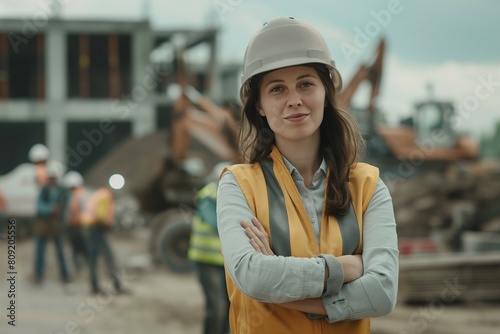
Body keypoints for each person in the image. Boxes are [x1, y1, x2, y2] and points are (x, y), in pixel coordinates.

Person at [216, 17, 399, 334]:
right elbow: (252, 275)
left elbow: (383, 293)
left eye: (305, 83)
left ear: (326, 93)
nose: (294, 99)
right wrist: (344, 267)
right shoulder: (238, 185)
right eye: (277, 89)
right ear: (258, 105)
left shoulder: (368, 186)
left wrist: (284, 293)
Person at [188, 162, 231, 334]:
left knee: (229, 308)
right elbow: (215, 222)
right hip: (206, 260)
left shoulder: (233, 196)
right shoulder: (208, 195)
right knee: (216, 308)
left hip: (224, 262)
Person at [81, 186, 127, 294]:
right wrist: (109, 226)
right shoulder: (106, 196)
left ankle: (94, 287)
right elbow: (101, 216)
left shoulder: (99, 193)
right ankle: (117, 286)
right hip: (96, 229)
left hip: (88, 228)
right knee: (109, 257)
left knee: (93, 258)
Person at [33, 161, 70, 284]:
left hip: (57, 224)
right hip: (43, 223)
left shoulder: (63, 191)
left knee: (60, 251)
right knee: (40, 251)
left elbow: (66, 206)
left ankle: (65, 275)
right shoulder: (44, 189)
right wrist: (50, 208)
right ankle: (38, 275)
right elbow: (39, 206)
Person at [63, 171, 89, 273]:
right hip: (74, 226)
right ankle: (80, 267)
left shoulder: (81, 195)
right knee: (77, 248)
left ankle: (85, 266)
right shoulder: (76, 195)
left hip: (80, 226)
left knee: (82, 247)